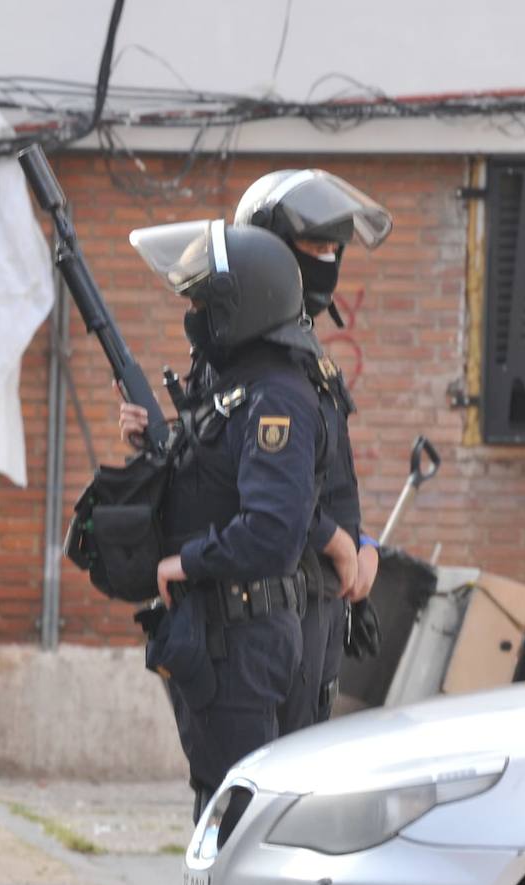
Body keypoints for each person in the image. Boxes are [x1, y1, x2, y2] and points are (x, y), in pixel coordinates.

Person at [124, 219, 330, 818]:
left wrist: (187, 560)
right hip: (219, 635)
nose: (195, 317)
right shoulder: (235, 389)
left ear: (244, 308)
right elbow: (209, 488)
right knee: (216, 804)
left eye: (205, 305)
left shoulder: (277, 399)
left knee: (238, 818)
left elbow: (272, 531)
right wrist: (152, 443)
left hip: (246, 638)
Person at [233, 169, 392, 732]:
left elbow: (327, 477)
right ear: (270, 252)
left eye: (335, 248)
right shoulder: (250, 359)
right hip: (270, 617)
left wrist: (363, 543)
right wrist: (332, 539)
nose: (328, 260)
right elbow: (253, 481)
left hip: (318, 611)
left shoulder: (305, 354)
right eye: (316, 246)